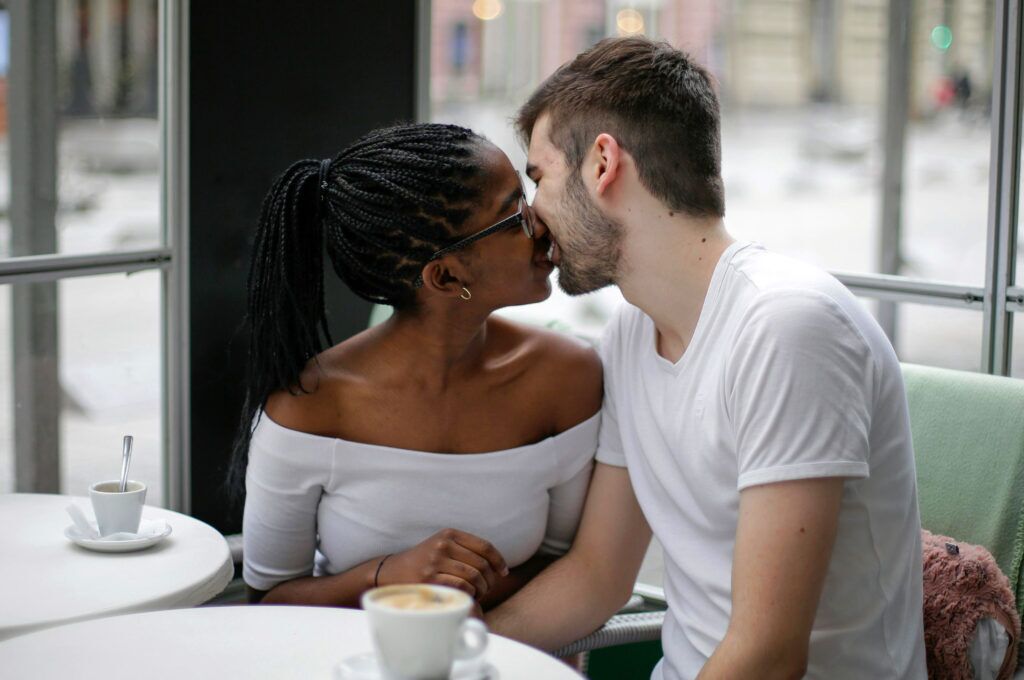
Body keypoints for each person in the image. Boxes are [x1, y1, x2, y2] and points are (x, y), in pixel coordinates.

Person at [485, 37, 927, 680]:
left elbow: (770, 656)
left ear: (602, 163)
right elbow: (597, 578)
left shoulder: (785, 328)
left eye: (539, 178)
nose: (531, 215)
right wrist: (454, 645)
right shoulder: (632, 336)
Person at [231, 123, 603, 613]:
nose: (541, 221)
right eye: (514, 214)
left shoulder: (567, 379)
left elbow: (566, 563)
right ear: (447, 276)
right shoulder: (309, 408)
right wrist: (388, 576)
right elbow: (269, 599)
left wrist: (460, 601)